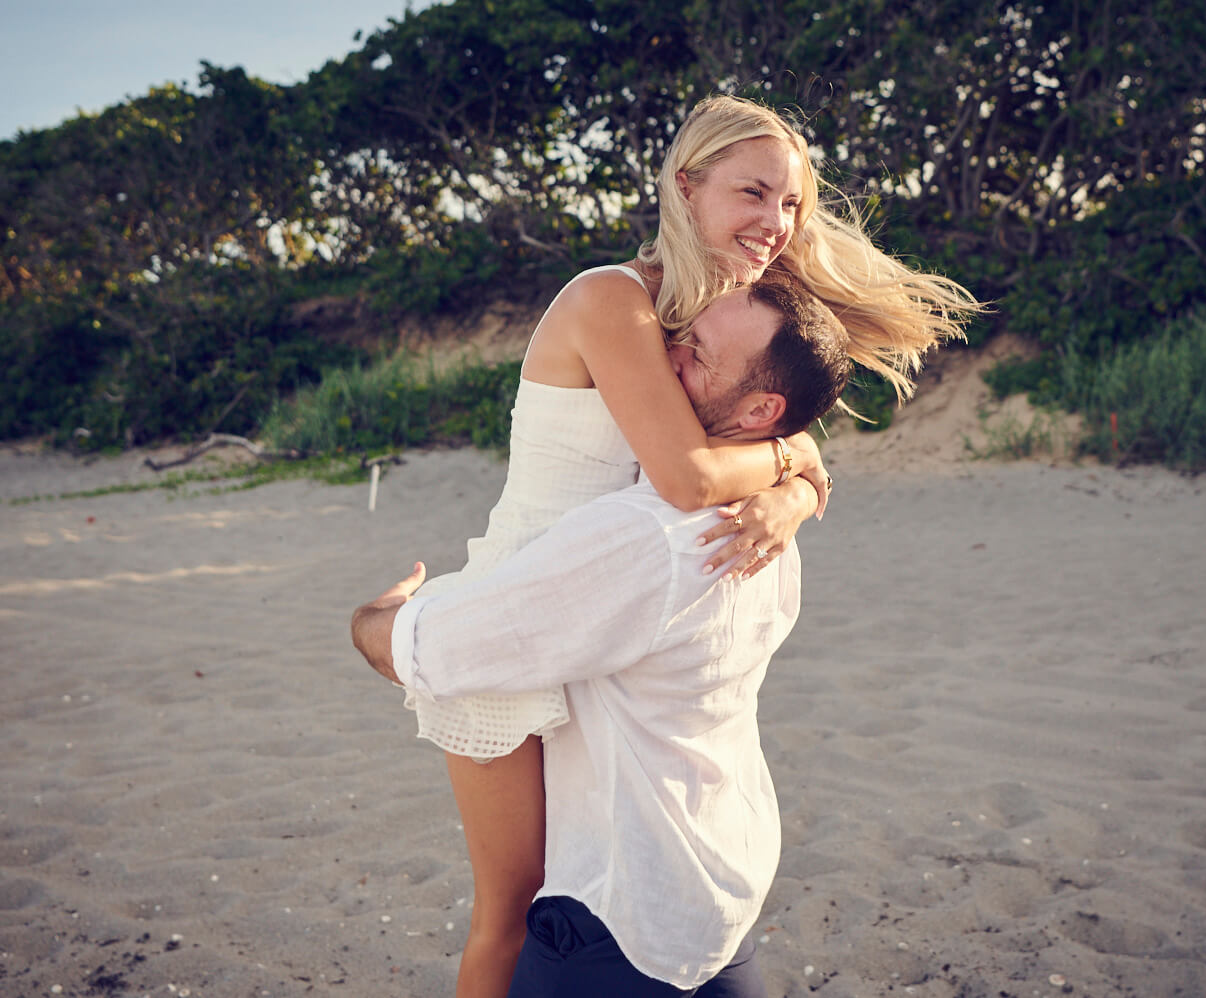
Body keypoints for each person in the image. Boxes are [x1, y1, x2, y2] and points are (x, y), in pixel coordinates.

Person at [399, 94, 980, 997]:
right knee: (508, 911)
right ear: (685, 186)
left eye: (790, 203)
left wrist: (794, 479)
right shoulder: (612, 301)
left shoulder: (714, 325)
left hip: (604, 623)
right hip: (520, 616)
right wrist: (794, 465)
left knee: (575, 881)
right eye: (753, 193)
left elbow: (744, 434)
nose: (775, 223)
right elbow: (689, 477)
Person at [353, 273, 852, 995]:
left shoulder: (647, 536)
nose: (665, 358)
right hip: (724, 893)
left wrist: (371, 620)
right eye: (678, 336)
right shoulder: (767, 527)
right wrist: (795, 478)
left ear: (759, 410)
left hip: (624, 930)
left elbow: (436, 651)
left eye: (699, 354)